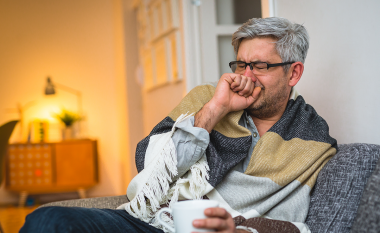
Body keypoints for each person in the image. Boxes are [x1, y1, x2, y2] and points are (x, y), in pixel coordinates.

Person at [21, 17, 337, 233]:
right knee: (48, 219)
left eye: (260, 66)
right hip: (155, 223)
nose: (246, 76)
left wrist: (240, 229)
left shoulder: (312, 142)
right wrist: (215, 109)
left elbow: (298, 225)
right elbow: (150, 164)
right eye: (241, 64)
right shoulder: (207, 99)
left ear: (293, 73)